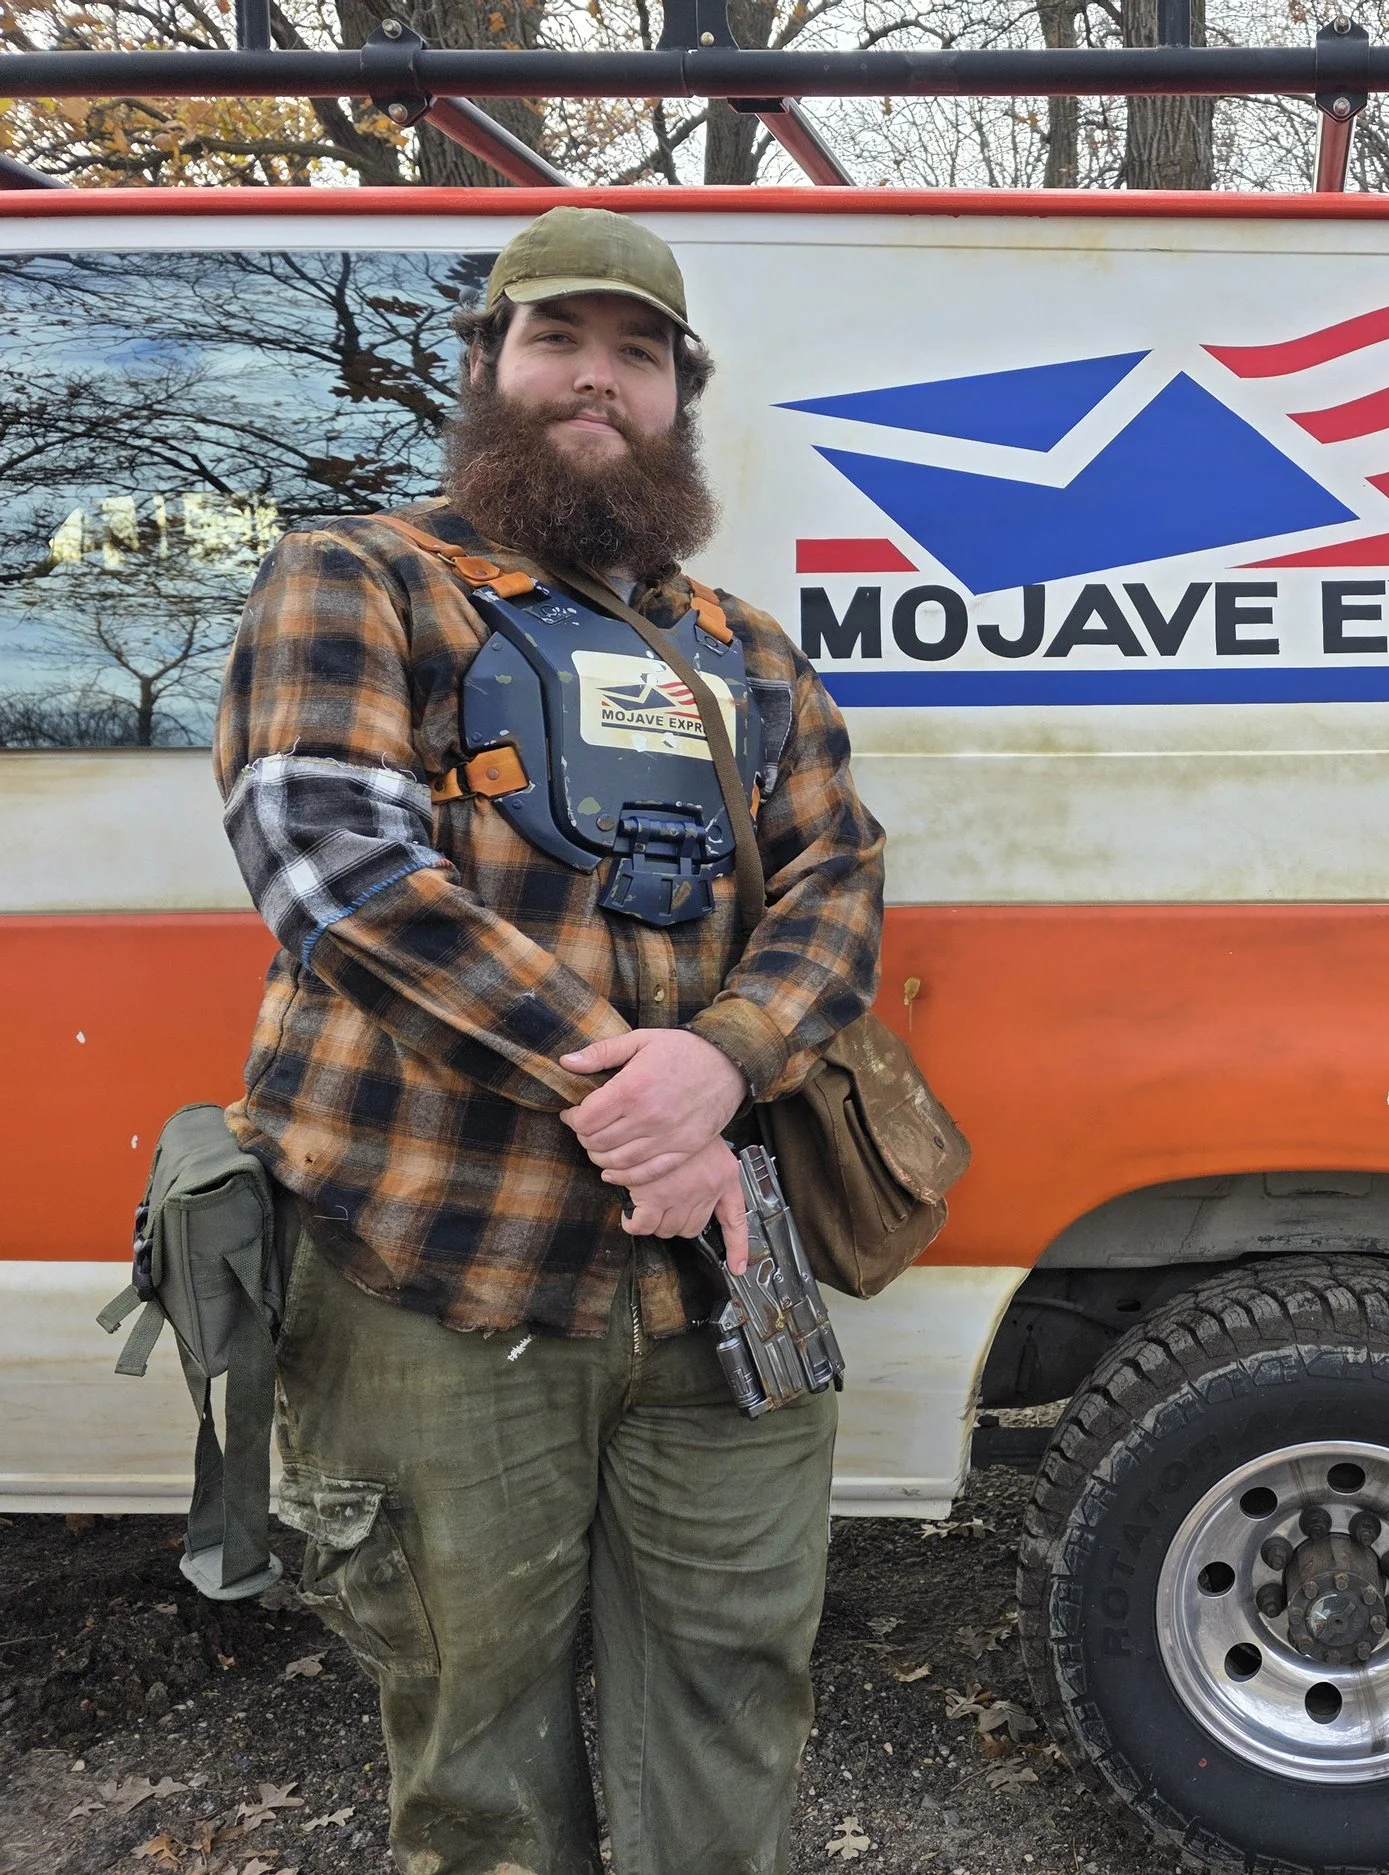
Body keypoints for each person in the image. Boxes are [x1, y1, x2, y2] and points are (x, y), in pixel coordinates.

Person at [214, 207, 884, 1875]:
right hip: (439, 1273)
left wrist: (721, 1064)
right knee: (477, 1739)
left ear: (677, 398)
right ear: (488, 368)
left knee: (739, 1683)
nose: (599, 377)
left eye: (638, 353)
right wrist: (626, 1085)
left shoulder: (745, 650)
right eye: (559, 341)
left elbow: (839, 882)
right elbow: (337, 866)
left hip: (725, 1283)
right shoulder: (357, 574)